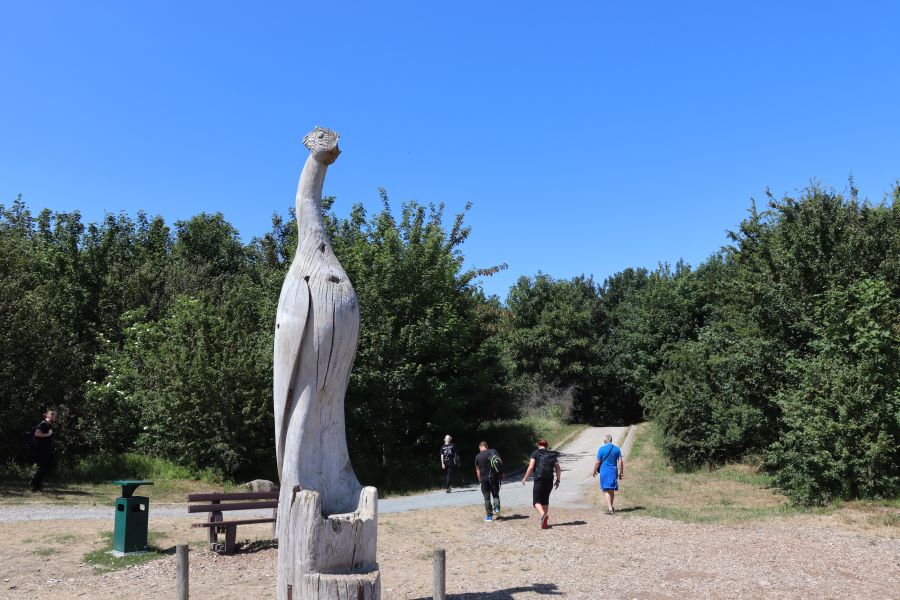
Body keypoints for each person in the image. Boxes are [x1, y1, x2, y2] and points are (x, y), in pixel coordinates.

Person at [521, 439, 560, 529]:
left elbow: (531, 467)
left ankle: (543, 515)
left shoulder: (535, 453)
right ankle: (545, 521)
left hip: (539, 479)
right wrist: (558, 480)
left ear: (538, 445)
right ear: (546, 446)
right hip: (549, 480)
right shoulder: (551, 454)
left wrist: (525, 478)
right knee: (545, 500)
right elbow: (558, 468)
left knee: (536, 501)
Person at [592, 433, 624, 514]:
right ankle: (611, 506)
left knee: (605, 489)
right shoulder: (617, 449)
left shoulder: (601, 449)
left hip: (604, 471)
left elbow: (598, 462)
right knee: (611, 489)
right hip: (613, 471)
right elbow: (620, 462)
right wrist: (621, 472)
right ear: (611, 440)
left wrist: (594, 470)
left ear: (604, 441)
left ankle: (610, 508)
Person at [474, 441, 503, 522]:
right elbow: (499, 462)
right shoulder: (493, 451)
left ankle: (489, 517)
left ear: (480, 447)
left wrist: (480, 480)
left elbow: (478, 470)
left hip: (484, 479)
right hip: (494, 477)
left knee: (487, 498)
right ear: (487, 446)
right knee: (495, 494)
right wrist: (501, 474)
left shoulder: (478, 456)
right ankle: (497, 510)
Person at [30, 410, 57, 493]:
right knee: (45, 467)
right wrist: (48, 435)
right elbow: (37, 433)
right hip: (41, 450)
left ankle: (36, 485)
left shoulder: (49, 425)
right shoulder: (44, 424)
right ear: (50, 416)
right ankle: (35, 484)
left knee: (47, 466)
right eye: (55, 416)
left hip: (46, 450)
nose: (55, 418)